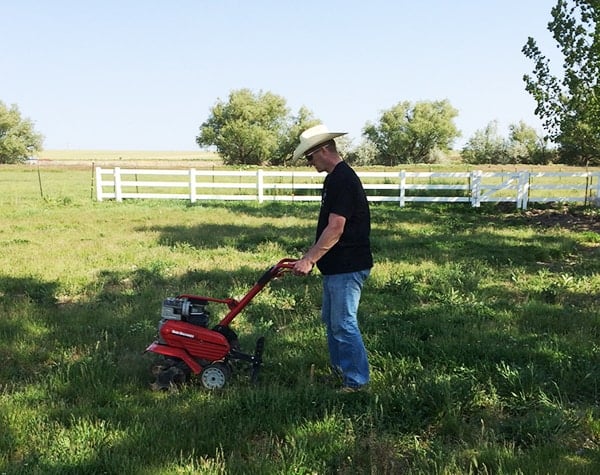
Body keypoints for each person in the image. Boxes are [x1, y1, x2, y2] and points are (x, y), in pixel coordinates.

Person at [292, 124, 373, 392]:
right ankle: (343, 373)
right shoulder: (334, 179)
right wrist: (311, 256)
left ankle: (357, 382)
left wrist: (310, 259)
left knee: (344, 324)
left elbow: (336, 227)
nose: (309, 163)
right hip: (336, 266)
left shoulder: (343, 179)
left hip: (348, 265)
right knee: (333, 323)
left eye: (310, 157)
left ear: (324, 150)